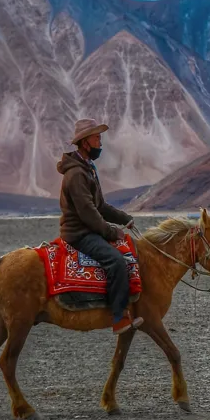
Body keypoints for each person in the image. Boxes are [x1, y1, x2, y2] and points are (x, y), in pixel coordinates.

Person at [56, 118, 144, 336]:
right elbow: (88, 213)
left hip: (88, 229)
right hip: (79, 233)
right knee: (115, 260)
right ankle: (118, 317)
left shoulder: (87, 168)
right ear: (85, 142)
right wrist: (111, 231)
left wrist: (124, 218)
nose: (100, 144)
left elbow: (100, 205)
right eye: (97, 138)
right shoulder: (76, 174)